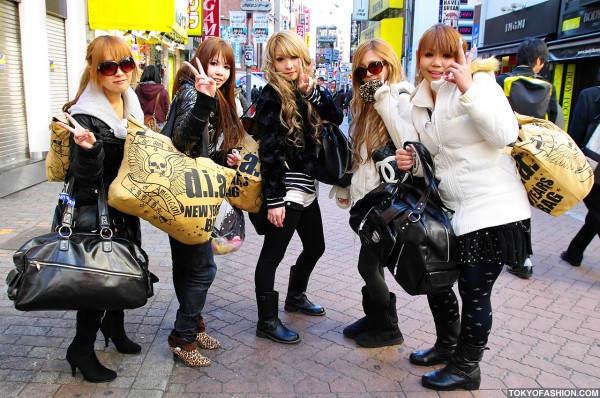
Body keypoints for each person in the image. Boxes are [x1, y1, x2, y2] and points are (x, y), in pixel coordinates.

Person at [395, 24, 531, 391]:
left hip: (494, 208)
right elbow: (438, 160)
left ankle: (467, 366)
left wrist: (468, 87)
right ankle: (447, 345)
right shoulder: (419, 102)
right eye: (429, 55)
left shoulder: (481, 85)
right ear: (419, 59)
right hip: (453, 210)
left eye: (447, 55)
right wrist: (412, 161)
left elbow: (504, 135)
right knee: (437, 281)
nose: (437, 63)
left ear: (461, 56)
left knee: (473, 290)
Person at [56, 35, 146, 383]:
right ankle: (81, 348)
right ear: (95, 71)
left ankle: (115, 326)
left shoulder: (131, 103)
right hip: (95, 209)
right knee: (95, 281)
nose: (119, 72)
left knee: (122, 270)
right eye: (108, 66)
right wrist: (90, 151)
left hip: (124, 206)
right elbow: (83, 179)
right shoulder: (84, 116)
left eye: (125, 63)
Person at [252, 30, 343, 344]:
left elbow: (336, 116)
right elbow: (269, 150)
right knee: (271, 257)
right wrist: (274, 199)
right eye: (281, 59)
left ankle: (295, 296)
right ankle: (266, 320)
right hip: (287, 190)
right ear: (272, 62)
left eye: (293, 57)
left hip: (307, 189)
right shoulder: (270, 95)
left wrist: (314, 92)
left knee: (316, 246)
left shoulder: (305, 89)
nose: (288, 65)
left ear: (304, 59)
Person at [167, 37, 243, 366]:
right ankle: (182, 337)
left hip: (191, 195)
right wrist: (202, 100)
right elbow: (181, 142)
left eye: (226, 65)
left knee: (188, 268)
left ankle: (194, 326)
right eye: (214, 63)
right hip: (186, 197)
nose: (221, 71)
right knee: (203, 270)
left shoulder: (218, 97)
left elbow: (203, 149)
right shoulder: (192, 93)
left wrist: (227, 157)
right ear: (200, 61)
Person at [341, 38, 416, 348]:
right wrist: (345, 188)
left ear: (389, 64)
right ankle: (375, 318)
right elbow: (358, 153)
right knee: (371, 263)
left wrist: (384, 99)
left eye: (375, 66)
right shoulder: (363, 102)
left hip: (389, 200)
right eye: (362, 71)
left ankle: (387, 327)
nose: (369, 75)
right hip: (369, 199)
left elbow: (408, 143)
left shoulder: (401, 96)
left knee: (368, 264)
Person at [496, 37, 558, 279]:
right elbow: (553, 126)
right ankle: (523, 258)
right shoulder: (548, 87)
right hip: (532, 157)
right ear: (539, 62)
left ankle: (508, 253)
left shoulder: (502, 82)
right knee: (522, 207)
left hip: (502, 152)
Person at [561, 85, 600, 267]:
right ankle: (574, 252)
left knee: (597, 211)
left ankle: (574, 252)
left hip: (591, 167)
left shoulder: (590, 95)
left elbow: (575, 135)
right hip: (594, 167)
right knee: (596, 212)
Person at [135, 65, 170, 130]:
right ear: (157, 76)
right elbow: (167, 111)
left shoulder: (138, 90)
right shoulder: (163, 92)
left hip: (141, 123)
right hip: (158, 125)